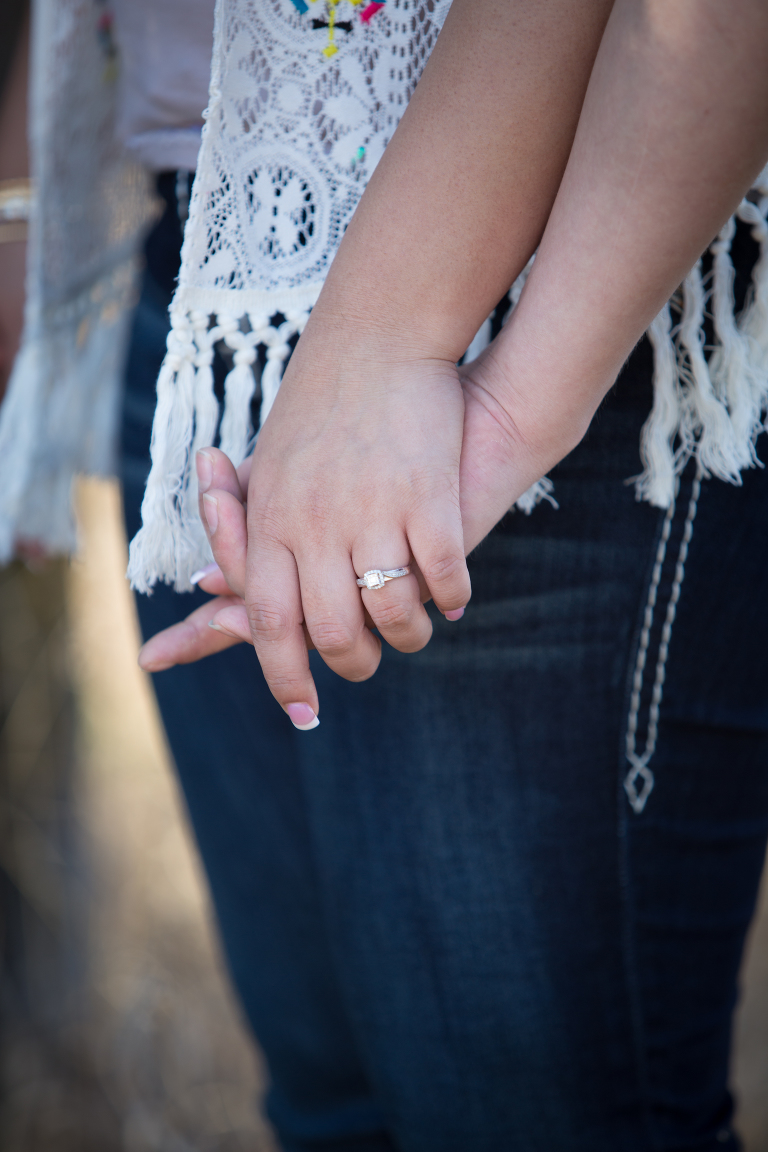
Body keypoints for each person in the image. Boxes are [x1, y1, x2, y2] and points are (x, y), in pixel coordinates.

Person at [4, 1, 768, 1148]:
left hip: (530, 297)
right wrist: (24, 195)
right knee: (334, 1104)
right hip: (200, 265)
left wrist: (415, 360)